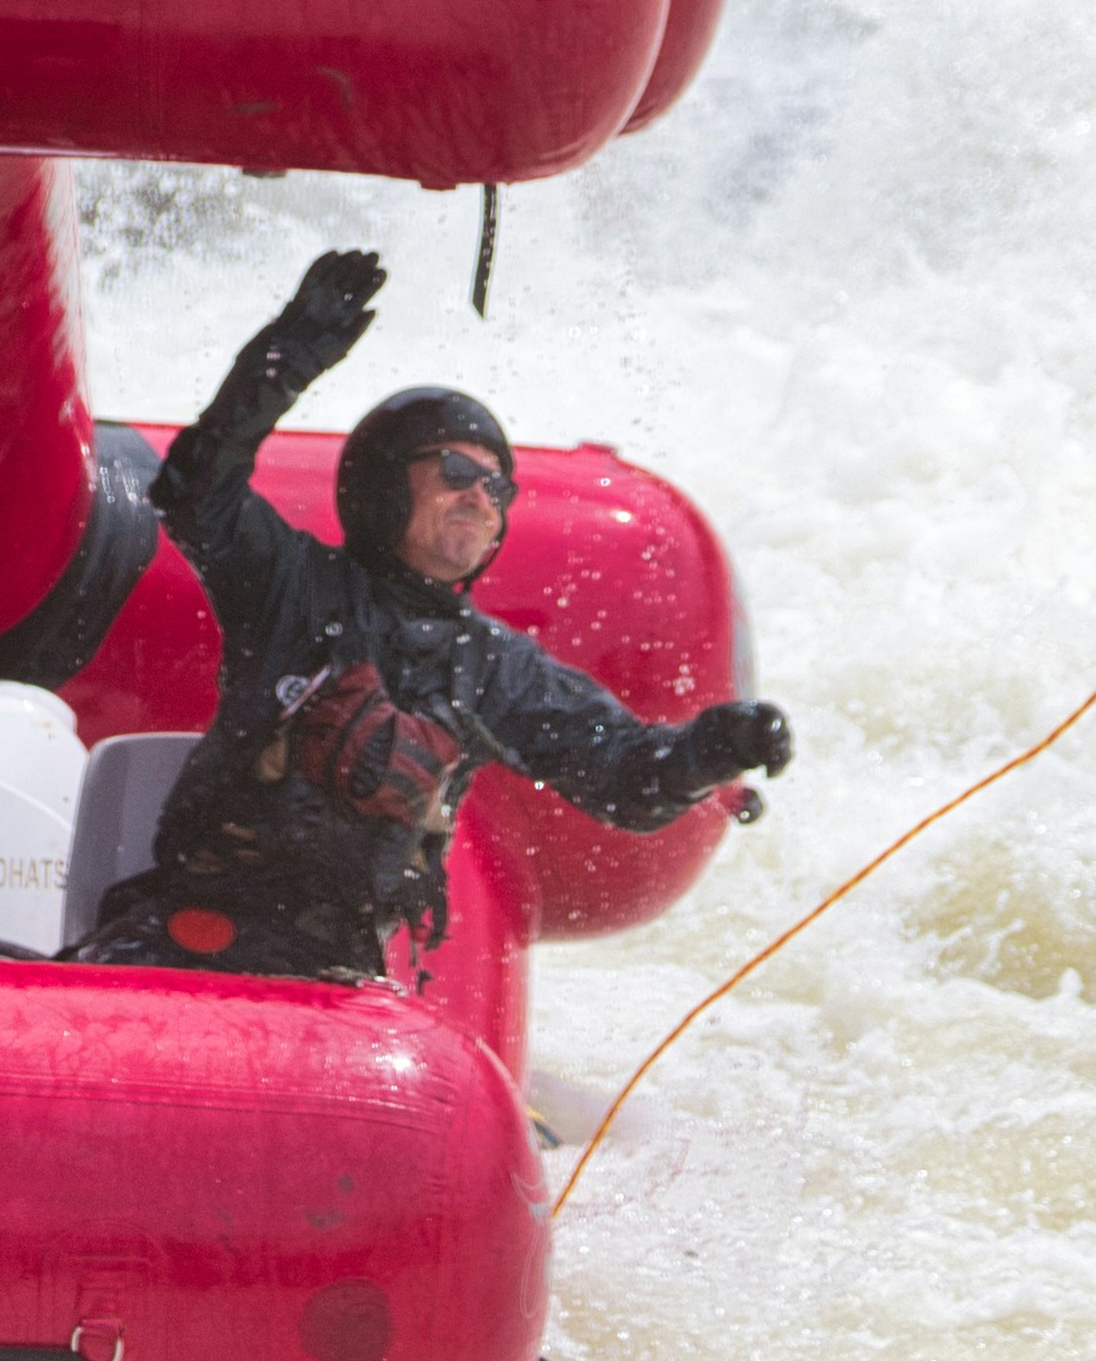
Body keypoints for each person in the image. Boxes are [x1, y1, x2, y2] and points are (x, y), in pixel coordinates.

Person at [81, 248, 790, 983]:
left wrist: (715, 748)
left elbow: (625, 778)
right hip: (189, 934)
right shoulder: (292, 585)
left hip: (332, 973)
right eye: (456, 473)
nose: (480, 498)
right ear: (386, 487)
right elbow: (195, 490)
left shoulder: (496, 669)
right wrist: (284, 360)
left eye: (497, 489)